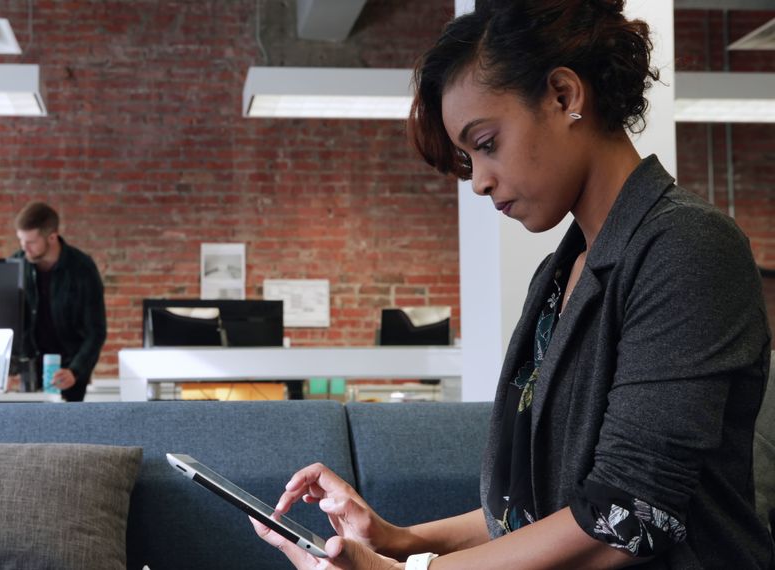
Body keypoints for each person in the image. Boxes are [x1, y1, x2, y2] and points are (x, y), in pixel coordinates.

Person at [251, 1, 775, 569]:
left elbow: (628, 515)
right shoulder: (558, 276)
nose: (478, 181)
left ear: (564, 96)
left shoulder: (687, 248)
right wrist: (397, 540)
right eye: (468, 156)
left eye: (487, 143)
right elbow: (545, 503)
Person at [11, 202, 107, 402]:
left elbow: (95, 331)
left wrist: (76, 370)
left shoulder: (82, 268)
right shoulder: (17, 264)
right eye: (21, 240)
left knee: (66, 431)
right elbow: (6, 321)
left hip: (69, 371)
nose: (24, 248)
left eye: (30, 242)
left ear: (52, 237)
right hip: (28, 371)